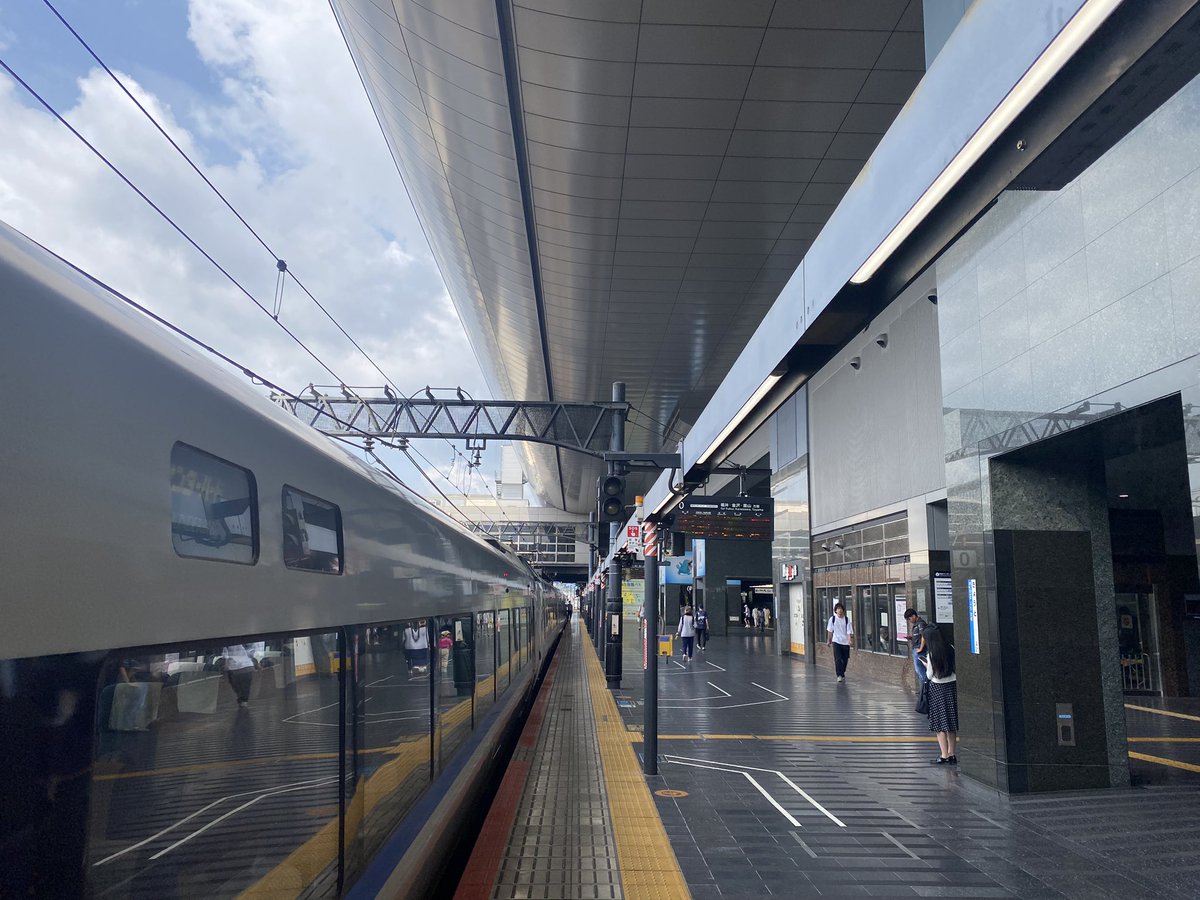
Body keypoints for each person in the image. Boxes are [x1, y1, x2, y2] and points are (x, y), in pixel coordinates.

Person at [923, 625, 959, 764]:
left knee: (939, 724)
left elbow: (929, 675)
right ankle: (952, 754)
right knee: (951, 723)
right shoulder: (951, 648)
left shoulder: (932, 654)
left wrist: (927, 666)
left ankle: (944, 755)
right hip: (952, 687)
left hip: (938, 688)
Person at [826, 603, 854, 682]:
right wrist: (829, 640)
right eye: (838, 609)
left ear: (843, 610)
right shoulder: (832, 619)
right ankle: (839, 675)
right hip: (836, 641)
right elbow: (830, 631)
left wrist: (850, 640)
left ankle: (842, 673)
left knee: (845, 659)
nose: (839, 611)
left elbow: (849, 632)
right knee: (838, 659)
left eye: (841, 609)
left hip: (845, 642)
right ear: (835, 611)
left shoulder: (846, 620)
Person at [903, 608, 929, 689]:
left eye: (909, 618)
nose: (909, 621)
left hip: (919, 651)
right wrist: (912, 638)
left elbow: (924, 636)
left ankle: (926, 688)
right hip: (917, 649)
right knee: (919, 672)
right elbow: (919, 636)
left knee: (920, 671)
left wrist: (921, 648)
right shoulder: (916, 624)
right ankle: (923, 690)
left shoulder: (921, 624)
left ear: (914, 616)